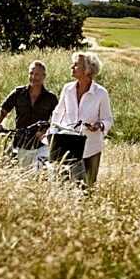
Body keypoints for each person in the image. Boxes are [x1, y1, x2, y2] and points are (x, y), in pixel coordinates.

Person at [48, 51, 114, 186]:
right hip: (67, 144)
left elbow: (107, 120)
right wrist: (51, 134)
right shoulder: (67, 89)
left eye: (76, 65)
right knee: (63, 184)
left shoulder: (101, 93)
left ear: (87, 69)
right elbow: (58, 113)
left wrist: (99, 125)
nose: (72, 67)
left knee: (87, 187)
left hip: (91, 147)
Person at [0, 60, 59, 168]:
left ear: (44, 76)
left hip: (40, 146)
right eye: (31, 73)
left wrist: (46, 132)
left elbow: (58, 120)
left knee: (40, 176)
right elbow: (2, 110)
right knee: (7, 169)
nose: (33, 77)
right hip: (19, 143)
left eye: (37, 74)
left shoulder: (51, 98)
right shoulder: (18, 93)